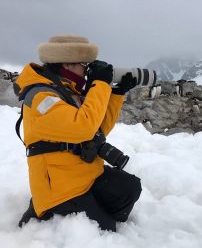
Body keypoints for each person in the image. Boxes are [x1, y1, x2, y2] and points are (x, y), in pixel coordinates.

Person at [14, 35, 142, 232]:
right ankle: (47, 215)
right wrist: (99, 84)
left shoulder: (67, 91)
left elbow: (98, 130)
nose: (86, 70)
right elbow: (84, 128)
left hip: (84, 174)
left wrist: (116, 93)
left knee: (129, 188)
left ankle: (96, 211)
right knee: (103, 230)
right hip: (60, 189)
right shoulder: (41, 97)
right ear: (67, 63)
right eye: (84, 64)